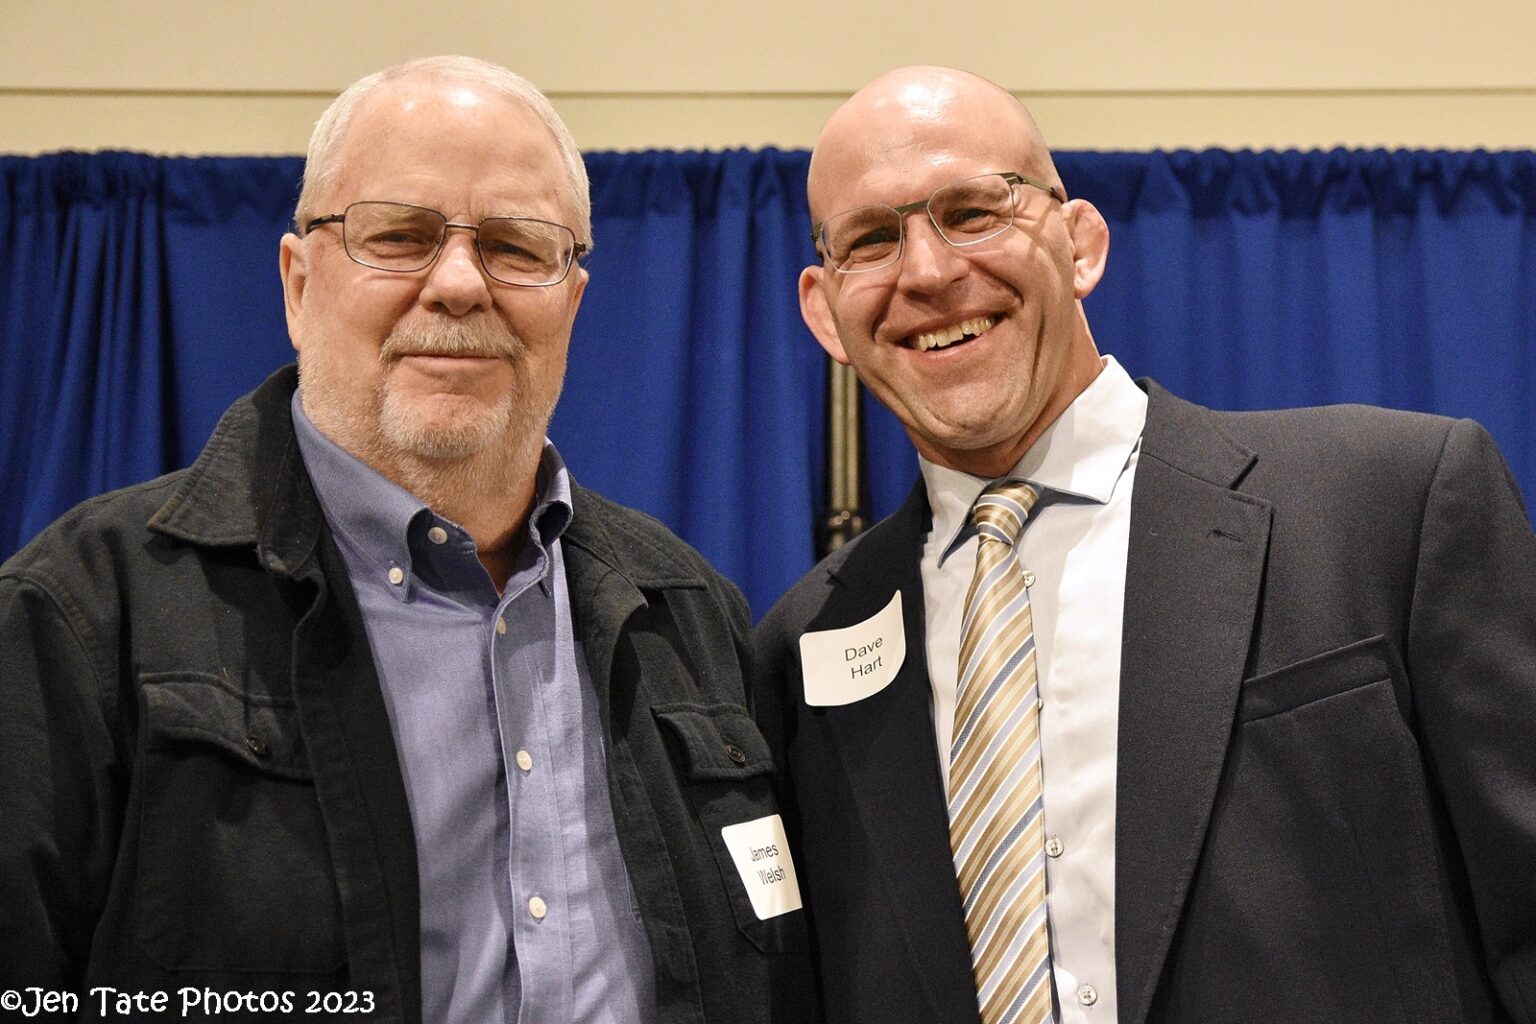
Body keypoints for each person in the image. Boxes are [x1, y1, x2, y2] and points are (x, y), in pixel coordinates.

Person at [0, 56, 813, 1024]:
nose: (461, 284)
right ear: (300, 284)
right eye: (401, 236)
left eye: (517, 246)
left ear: (574, 300)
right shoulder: (84, 611)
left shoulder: (688, 612)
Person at [754, 65, 1536, 1024]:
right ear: (824, 309)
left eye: (973, 211)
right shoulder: (802, 645)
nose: (926, 271)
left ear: (1080, 243)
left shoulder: (1391, 503)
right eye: (872, 240)